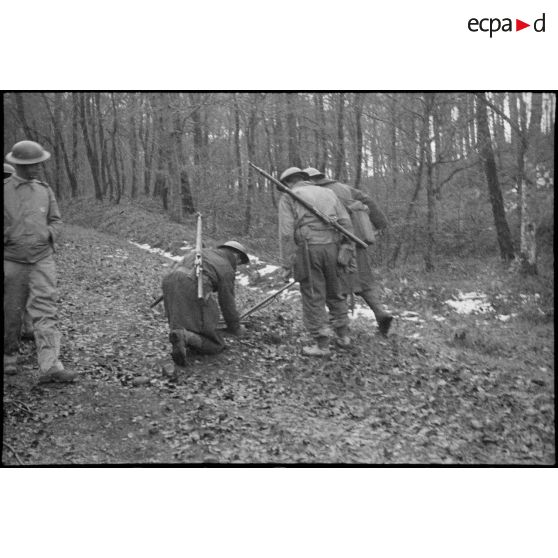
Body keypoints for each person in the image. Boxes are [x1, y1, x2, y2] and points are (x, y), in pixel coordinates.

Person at [4, 140, 77, 383]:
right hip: (12, 261)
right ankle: (9, 356)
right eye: (32, 164)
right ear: (19, 165)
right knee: (11, 311)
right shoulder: (4, 190)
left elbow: (56, 220)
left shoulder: (45, 190)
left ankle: (50, 365)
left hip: (42, 260)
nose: (37, 168)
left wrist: (48, 234)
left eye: (39, 164)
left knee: (47, 309)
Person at [303, 167, 394, 336]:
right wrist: (380, 223)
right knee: (364, 281)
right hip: (357, 240)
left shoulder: (313, 193)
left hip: (337, 243)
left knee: (338, 284)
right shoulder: (343, 188)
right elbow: (368, 200)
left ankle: (341, 327)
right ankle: (380, 313)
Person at [278, 167, 354, 356]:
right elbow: (345, 223)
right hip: (333, 247)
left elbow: (286, 233)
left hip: (308, 249)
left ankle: (322, 344)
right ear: (303, 178)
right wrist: (347, 248)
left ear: (288, 182)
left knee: (313, 294)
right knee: (336, 292)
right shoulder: (328, 192)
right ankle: (343, 336)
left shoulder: (288, 196)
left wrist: (287, 263)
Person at [162, 240, 250, 368]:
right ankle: (185, 336)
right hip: (193, 285)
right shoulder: (226, 267)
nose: (237, 265)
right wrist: (235, 327)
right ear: (236, 255)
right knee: (216, 344)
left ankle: (181, 336)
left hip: (169, 281)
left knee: (182, 320)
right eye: (239, 262)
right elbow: (227, 302)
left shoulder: (203, 252)